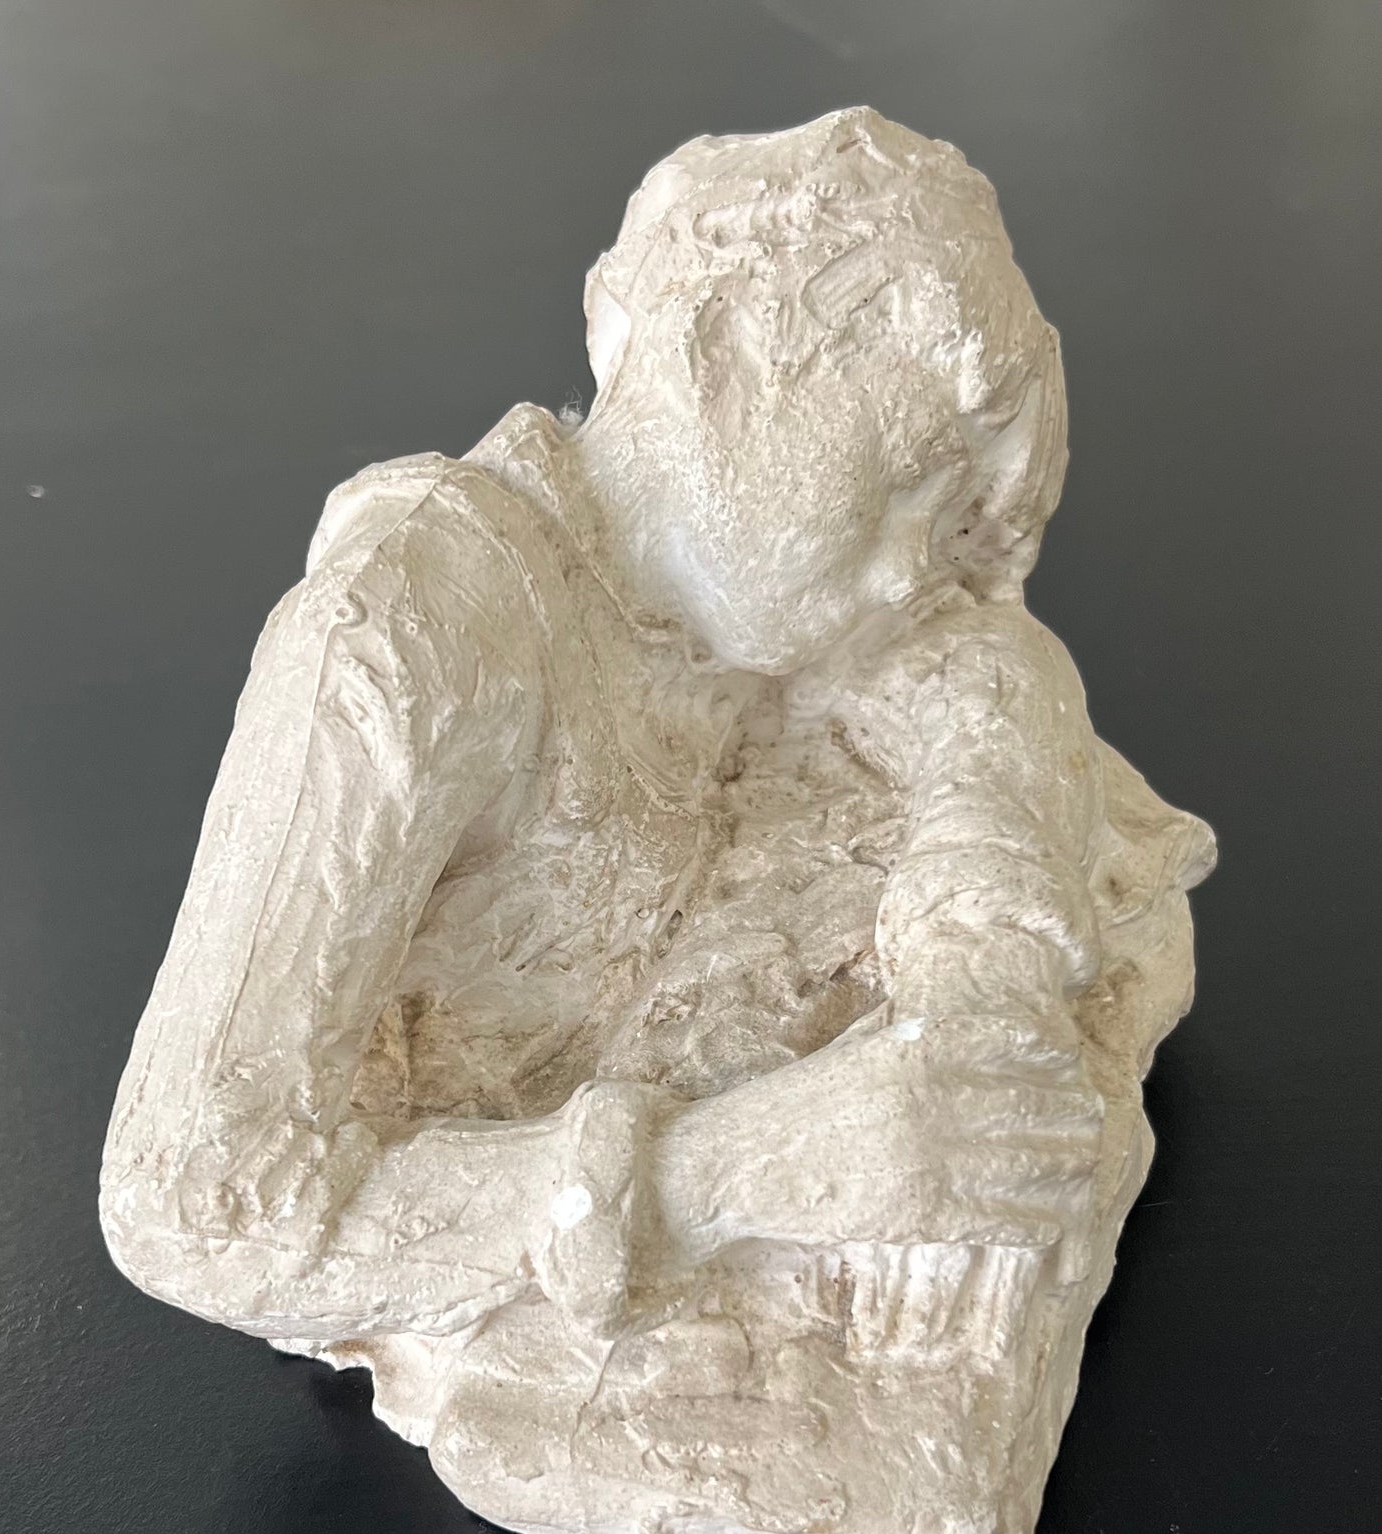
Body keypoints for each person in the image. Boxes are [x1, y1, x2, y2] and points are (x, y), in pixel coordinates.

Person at [100, 108, 1209, 1354]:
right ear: (715, 356)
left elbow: (978, 655)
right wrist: (742, 1168)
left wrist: (975, 972)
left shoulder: (743, 600)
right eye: (905, 481)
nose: (912, 568)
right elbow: (189, 1203)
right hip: (537, 1203)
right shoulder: (405, 641)